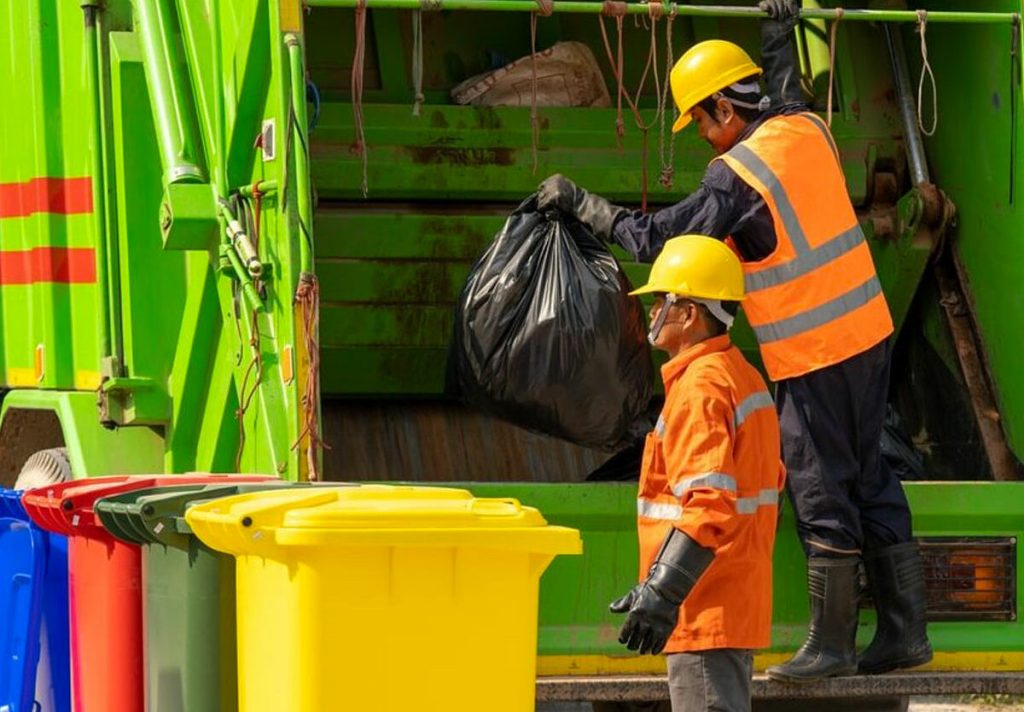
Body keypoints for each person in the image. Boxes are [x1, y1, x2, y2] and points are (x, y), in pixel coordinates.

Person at [540, 0, 932, 682]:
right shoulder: (805, 128)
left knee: (818, 484)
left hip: (814, 352)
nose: (701, 135)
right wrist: (779, 29)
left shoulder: (737, 174)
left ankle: (833, 645)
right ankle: (904, 631)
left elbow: (665, 240)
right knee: (870, 473)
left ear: (724, 106)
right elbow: (785, 86)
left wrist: (582, 204)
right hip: (868, 336)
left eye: (698, 120)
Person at [608, 235, 785, 712]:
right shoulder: (737, 374)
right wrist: (657, 586)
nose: (651, 314)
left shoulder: (700, 389)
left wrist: (663, 591)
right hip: (723, 601)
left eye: (661, 301)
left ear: (688, 314)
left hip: (705, 606)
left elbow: (709, 503)